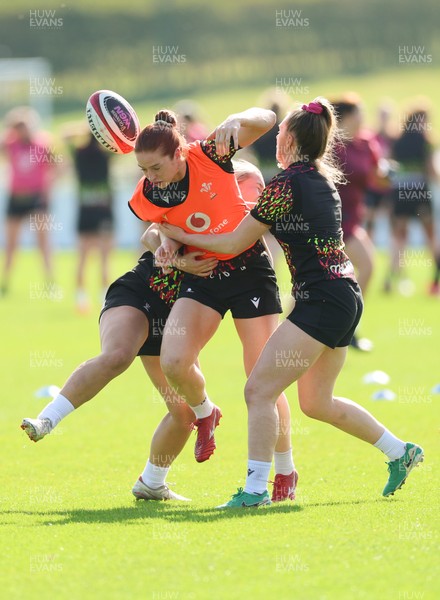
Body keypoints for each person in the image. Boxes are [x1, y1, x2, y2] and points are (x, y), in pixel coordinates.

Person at [161, 97, 424, 508]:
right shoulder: (318, 179)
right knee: (316, 402)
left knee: (258, 391)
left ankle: (254, 490)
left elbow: (233, 241)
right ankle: (400, 451)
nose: (275, 139)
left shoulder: (287, 183)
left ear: (291, 139)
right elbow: (250, 218)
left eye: (280, 133)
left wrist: (174, 229)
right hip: (343, 296)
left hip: (320, 300)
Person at [21, 160, 296, 503]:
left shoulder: (239, 225)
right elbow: (152, 231)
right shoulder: (192, 200)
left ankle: (152, 482)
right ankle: (47, 419)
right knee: (118, 355)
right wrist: (176, 257)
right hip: (141, 292)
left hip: (175, 315)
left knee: (182, 414)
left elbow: (250, 245)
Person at [130, 107, 297, 501]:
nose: (149, 177)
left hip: (249, 271)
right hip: (202, 276)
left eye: (154, 167)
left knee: (262, 379)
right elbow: (154, 234)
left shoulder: (210, 154)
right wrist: (168, 250)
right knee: (173, 361)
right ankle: (206, 412)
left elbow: (268, 117)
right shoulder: (150, 190)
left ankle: (285, 472)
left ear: (179, 154)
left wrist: (236, 119)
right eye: (143, 169)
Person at [333, 95, 379, 351]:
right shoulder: (332, 145)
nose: (364, 117)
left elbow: (377, 179)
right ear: (347, 117)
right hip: (331, 221)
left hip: (353, 220)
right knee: (326, 279)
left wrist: (384, 175)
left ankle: (349, 325)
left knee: (363, 269)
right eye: (359, 113)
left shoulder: (366, 142)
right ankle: (347, 326)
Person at [1, 107, 55, 295]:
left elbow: (56, 166)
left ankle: (49, 279)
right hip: (16, 197)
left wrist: (49, 189)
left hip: (36, 197)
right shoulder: (10, 144)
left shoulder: (42, 144)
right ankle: (5, 280)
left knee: (42, 242)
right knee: (11, 243)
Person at [386, 107, 440, 295]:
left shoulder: (397, 141)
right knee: (431, 237)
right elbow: (432, 171)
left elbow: (389, 167)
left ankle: (390, 280)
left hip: (399, 194)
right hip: (420, 194)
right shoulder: (425, 141)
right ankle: (435, 283)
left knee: (399, 237)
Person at [68, 130, 115, 312]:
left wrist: (88, 126)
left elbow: (66, 136)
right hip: (103, 210)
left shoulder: (78, 153)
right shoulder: (106, 154)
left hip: (85, 211)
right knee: (104, 257)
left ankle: (81, 298)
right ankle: (104, 296)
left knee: (82, 256)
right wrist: (103, 127)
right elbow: (124, 148)